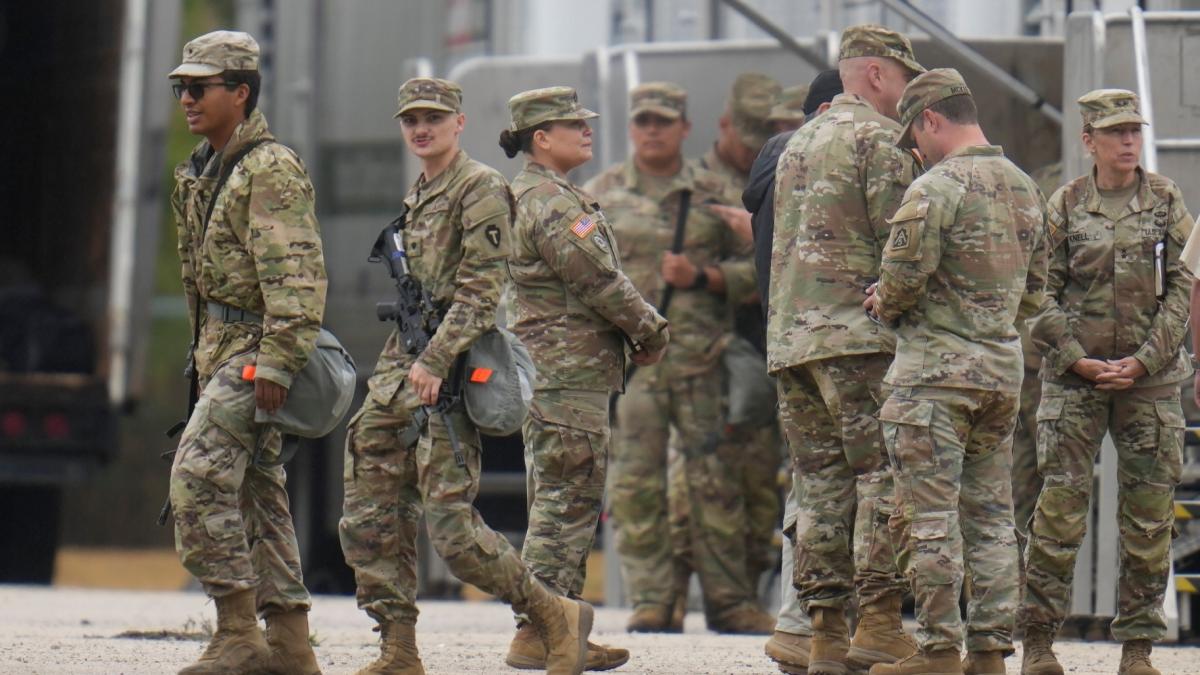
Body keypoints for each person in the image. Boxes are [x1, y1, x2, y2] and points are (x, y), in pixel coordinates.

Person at [338, 78, 594, 675]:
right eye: (411, 120)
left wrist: (435, 360)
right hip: (401, 364)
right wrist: (412, 361)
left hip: (447, 370)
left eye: (433, 117)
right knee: (369, 507)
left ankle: (552, 614)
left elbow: (482, 292)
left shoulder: (478, 188)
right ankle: (397, 645)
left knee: (452, 528)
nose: (421, 128)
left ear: (459, 123)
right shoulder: (421, 191)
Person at [863, 68, 1047, 675]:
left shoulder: (935, 188)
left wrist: (881, 301)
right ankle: (990, 651)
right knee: (992, 513)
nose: (915, 151)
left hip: (934, 381)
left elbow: (902, 281)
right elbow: (1034, 291)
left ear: (931, 121)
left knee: (930, 514)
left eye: (913, 137)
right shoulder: (1024, 186)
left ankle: (940, 650)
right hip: (1000, 373)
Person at [583, 82, 771, 635]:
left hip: (701, 363)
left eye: (664, 121)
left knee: (716, 482)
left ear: (686, 129)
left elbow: (762, 269)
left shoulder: (716, 193)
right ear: (632, 127)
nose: (653, 130)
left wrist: (705, 278)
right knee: (636, 482)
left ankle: (730, 602)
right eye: (644, 121)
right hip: (636, 369)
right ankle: (653, 598)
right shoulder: (602, 196)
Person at [167, 30, 325, 675]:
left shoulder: (268, 168)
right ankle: (289, 645)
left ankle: (237, 630)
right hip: (219, 352)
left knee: (197, 477)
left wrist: (279, 361)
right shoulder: (201, 171)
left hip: (256, 349)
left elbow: (298, 275)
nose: (187, 98)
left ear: (240, 91)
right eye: (181, 87)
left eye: (199, 87)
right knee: (259, 491)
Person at [1020, 89, 1194, 675]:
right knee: (1059, 512)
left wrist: (1146, 360)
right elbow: (1036, 292)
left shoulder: (1166, 201)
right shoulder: (1065, 206)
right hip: (1076, 382)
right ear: (1088, 140)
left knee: (1147, 518)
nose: (1128, 142)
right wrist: (1074, 357)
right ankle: (1040, 642)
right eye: (1115, 132)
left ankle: (1139, 649)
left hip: (1150, 382)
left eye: (1134, 131)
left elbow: (1183, 289)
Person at [769, 25, 923, 675]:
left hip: (794, 341)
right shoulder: (882, 139)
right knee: (880, 477)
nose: (910, 93)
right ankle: (882, 620)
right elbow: (902, 243)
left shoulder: (798, 141)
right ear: (879, 75)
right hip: (858, 340)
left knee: (821, 486)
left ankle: (825, 632)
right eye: (906, 77)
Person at [501, 85, 671, 670]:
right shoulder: (550, 200)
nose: (587, 131)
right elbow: (597, 279)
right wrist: (650, 329)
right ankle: (538, 629)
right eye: (573, 125)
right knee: (565, 501)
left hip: (554, 371)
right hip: (566, 372)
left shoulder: (534, 194)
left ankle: (559, 625)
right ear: (541, 138)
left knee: (562, 496)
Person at [741, 68, 843, 674]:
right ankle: (812, 625)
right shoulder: (815, 161)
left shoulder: (771, 166)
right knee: (833, 486)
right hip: (835, 342)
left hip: (788, 340)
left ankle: (797, 622)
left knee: (808, 484)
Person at [683, 71, 783, 611]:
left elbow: (785, 263)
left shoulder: (782, 170)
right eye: (747, 136)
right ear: (724, 126)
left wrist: (729, 270)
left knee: (761, 486)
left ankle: (747, 595)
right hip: (710, 356)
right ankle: (721, 602)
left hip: (767, 355)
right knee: (707, 482)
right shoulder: (694, 186)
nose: (753, 147)